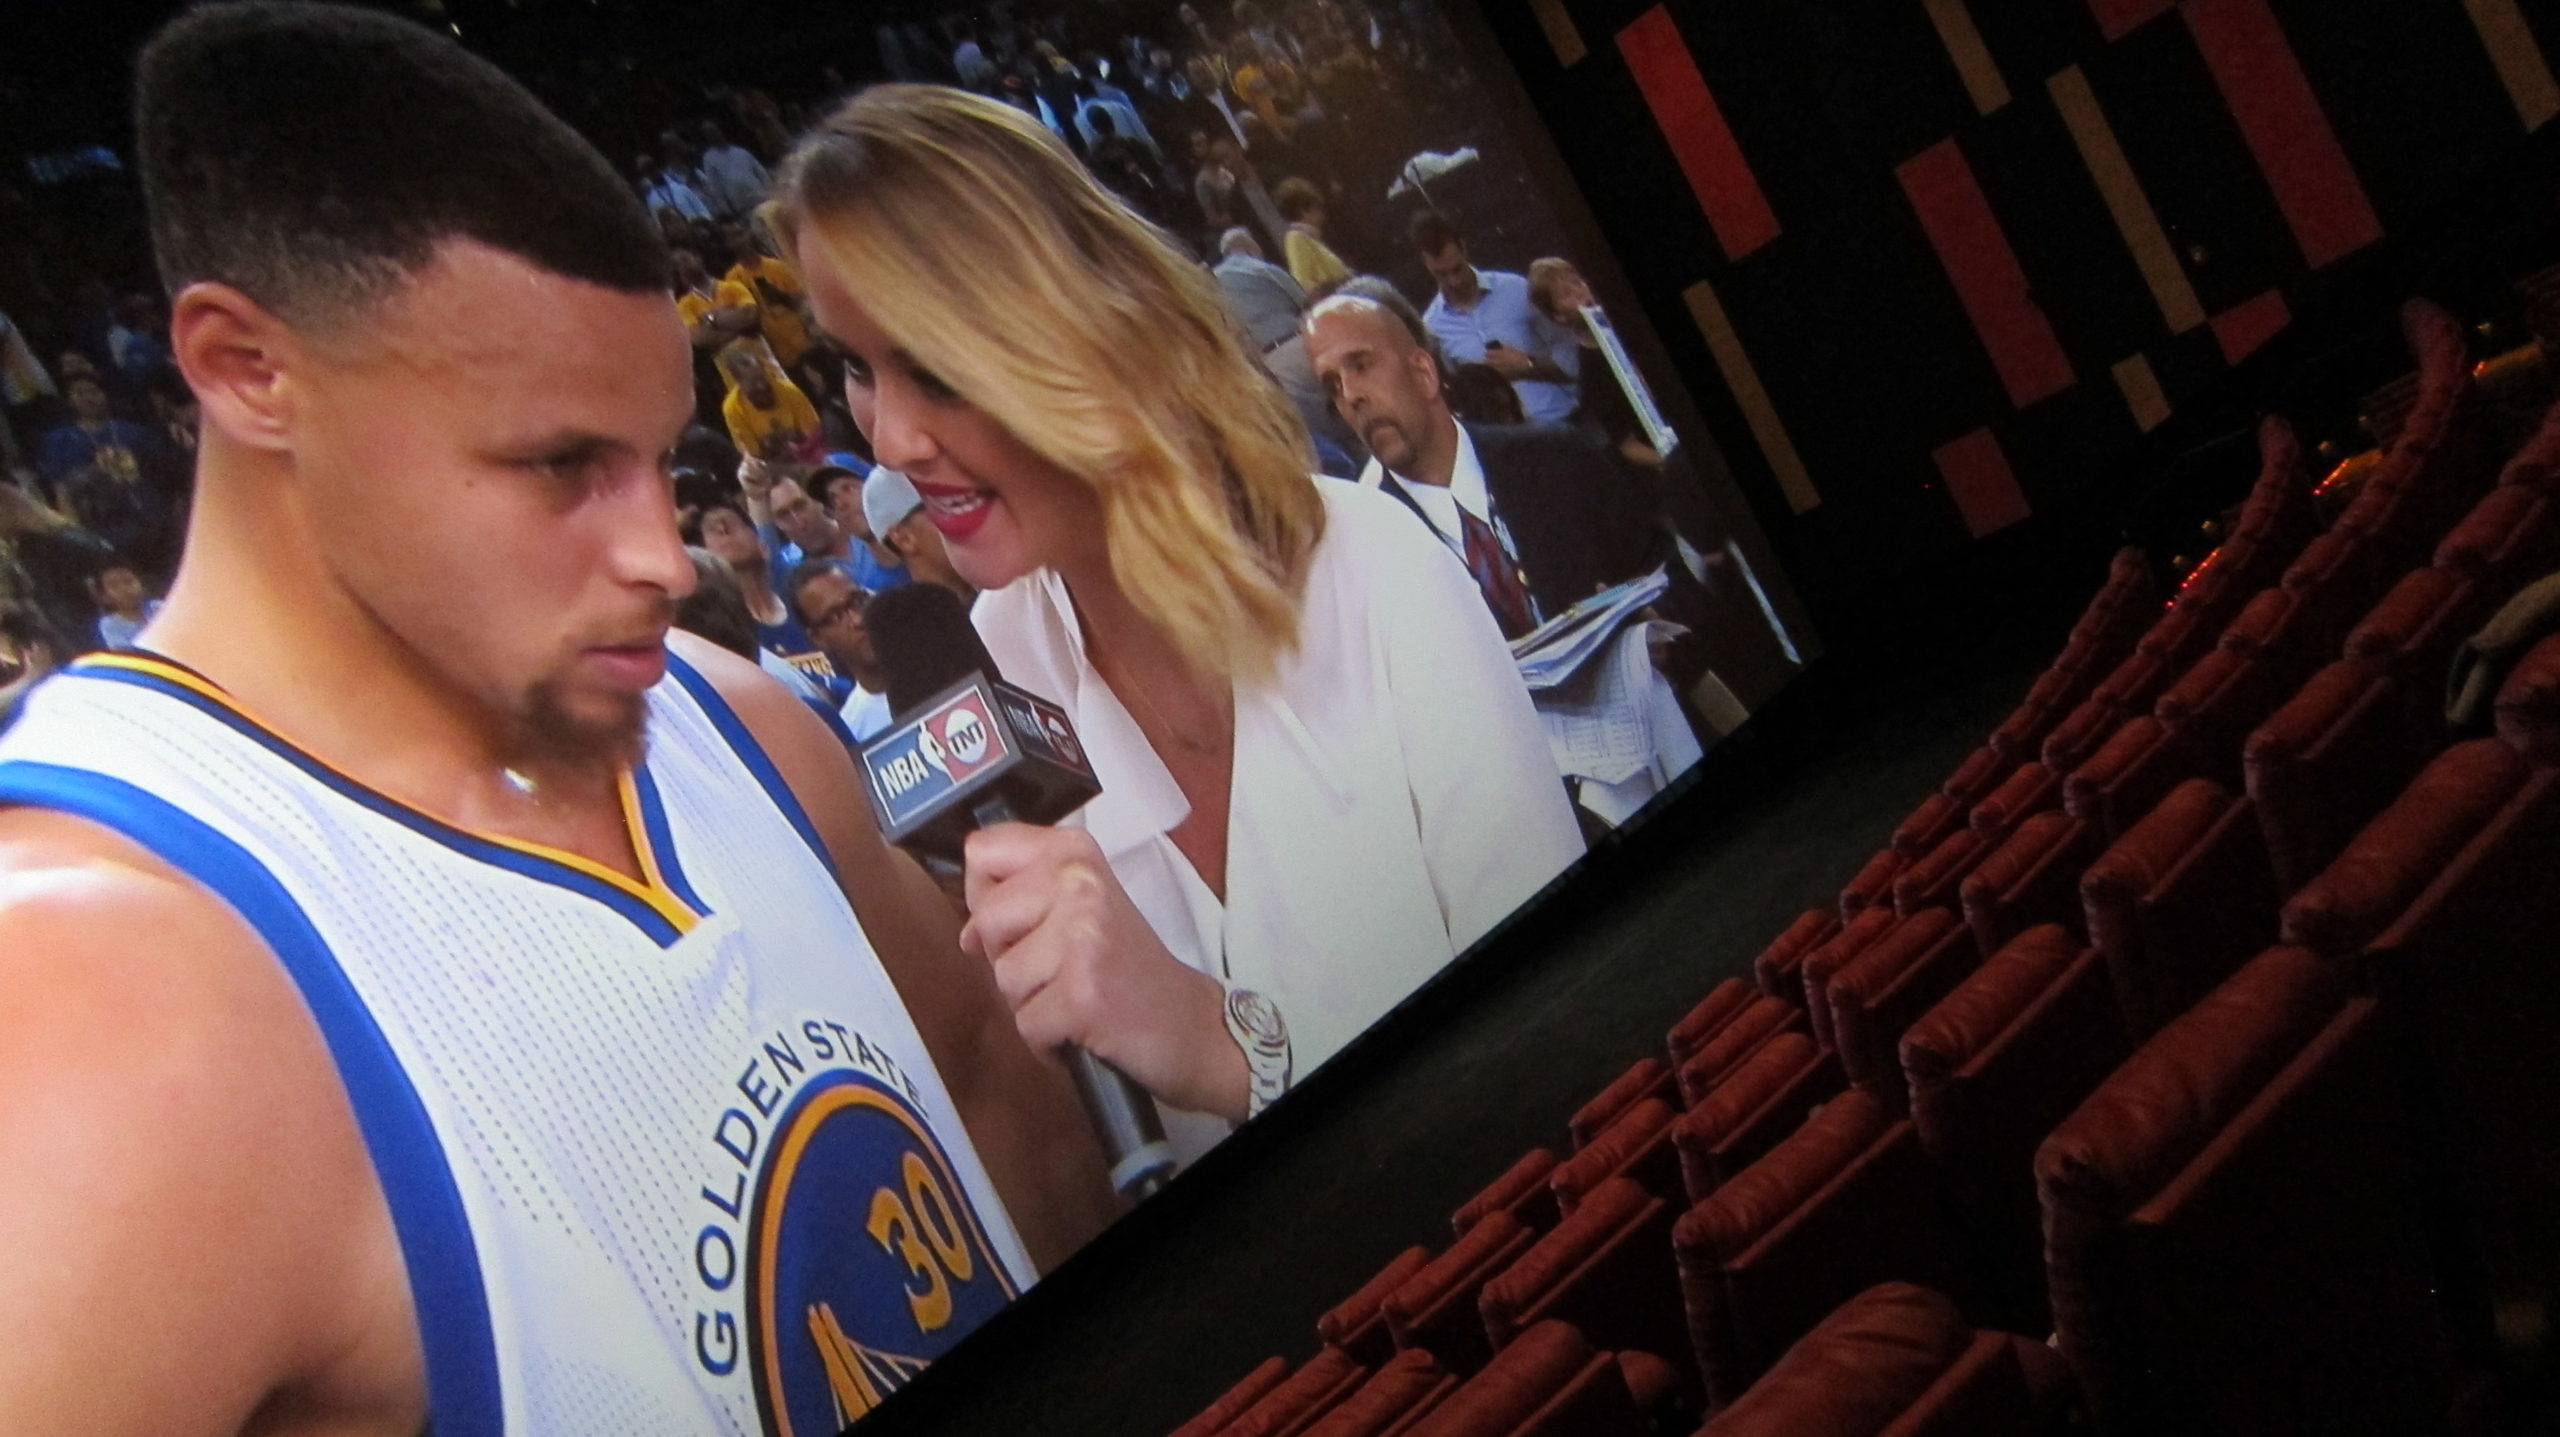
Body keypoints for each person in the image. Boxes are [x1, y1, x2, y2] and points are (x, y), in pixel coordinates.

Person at [0, 10, 1118, 1433]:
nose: (663, 554)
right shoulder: (84, 1006)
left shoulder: (732, 717)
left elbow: (992, 1100)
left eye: (652, 457)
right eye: (561, 463)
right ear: (246, 368)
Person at [772, 85, 1583, 1168]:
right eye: (859, 369)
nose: (892, 443)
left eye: (933, 364)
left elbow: (1580, 1044)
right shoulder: (994, 669)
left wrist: (1231, 1052)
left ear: (1083, 329)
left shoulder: (1370, 566)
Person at [1302, 288, 1672, 637]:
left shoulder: (1558, 456)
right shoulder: (1369, 555)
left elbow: (1667, 579)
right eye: (1333, 385)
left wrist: (1650, 634)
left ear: (1423, 373)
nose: (1350, 395)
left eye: (1361, 365)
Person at [1409, 211, 1579, 427]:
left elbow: (1573, 361)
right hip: (1506, 437)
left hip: (1561, 420)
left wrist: (1528, 364)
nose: (1453, 281)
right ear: (1425, 262)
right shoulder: (1433, 327)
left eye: (1456, 269)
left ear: (1463, 248)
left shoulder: (1516, 289)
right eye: (1441, 274)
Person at [786, 561, 894, 742]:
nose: (858, 620)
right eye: (835, 616)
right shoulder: (853, 731)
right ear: (817, 638)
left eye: (858, 601)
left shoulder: (941, 665)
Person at [859, 467, 975, 604]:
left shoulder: (994, 586)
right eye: (946, 506)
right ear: (903, 539)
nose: (967, 515)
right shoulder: (920, 618)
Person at [36, 374, 164, 500]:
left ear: (105, 395)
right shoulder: (59, 440)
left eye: (93, 391)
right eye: (79, 393)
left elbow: (157, 470)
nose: (88, 398)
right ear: (69, 400)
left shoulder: (133, 432)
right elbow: (59, 486)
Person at [721, 223, 812, 369]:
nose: (739, 240)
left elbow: (801, 299)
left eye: (740, 233)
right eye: (732, 237)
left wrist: (781, 296)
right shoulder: (732, 279)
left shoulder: (776, 266)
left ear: (749, 235)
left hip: (801, 337)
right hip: (772, 349)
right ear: (728, 244)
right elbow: (739, 316)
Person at [719, 345, 823, 464]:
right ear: (738, 381)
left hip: (806, 457)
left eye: (762, 378)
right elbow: (754, 454)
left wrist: (794, 438)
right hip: (770, 466)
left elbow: (814, 434)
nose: (761, 386)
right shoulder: (732, 408)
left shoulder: (789, 390)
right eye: (753, 382)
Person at [1271, 177, 1349, 294]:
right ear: (1303, 211)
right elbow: (1304, 284)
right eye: (1317, 208)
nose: (1322, 215)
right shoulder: (1296, 239)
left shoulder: (1310, 237)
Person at [694, 121, 771, 218]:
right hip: (742, 205)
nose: (713, 135)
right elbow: (715, 186)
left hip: (760, 196)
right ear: (706, 137)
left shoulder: (740, 151)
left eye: (714, 131)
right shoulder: (709, 158)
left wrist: (771, 191)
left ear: (720, 131)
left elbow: (760, 172)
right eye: (709, 133)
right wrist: (726, 210)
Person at [88, 555, 161, 650]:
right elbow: (124, 653)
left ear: (141, 584)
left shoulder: (158, 607)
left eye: (128, 581)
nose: (125, 589)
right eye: (114, 586)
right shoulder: (110, 625)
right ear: (105, 597)